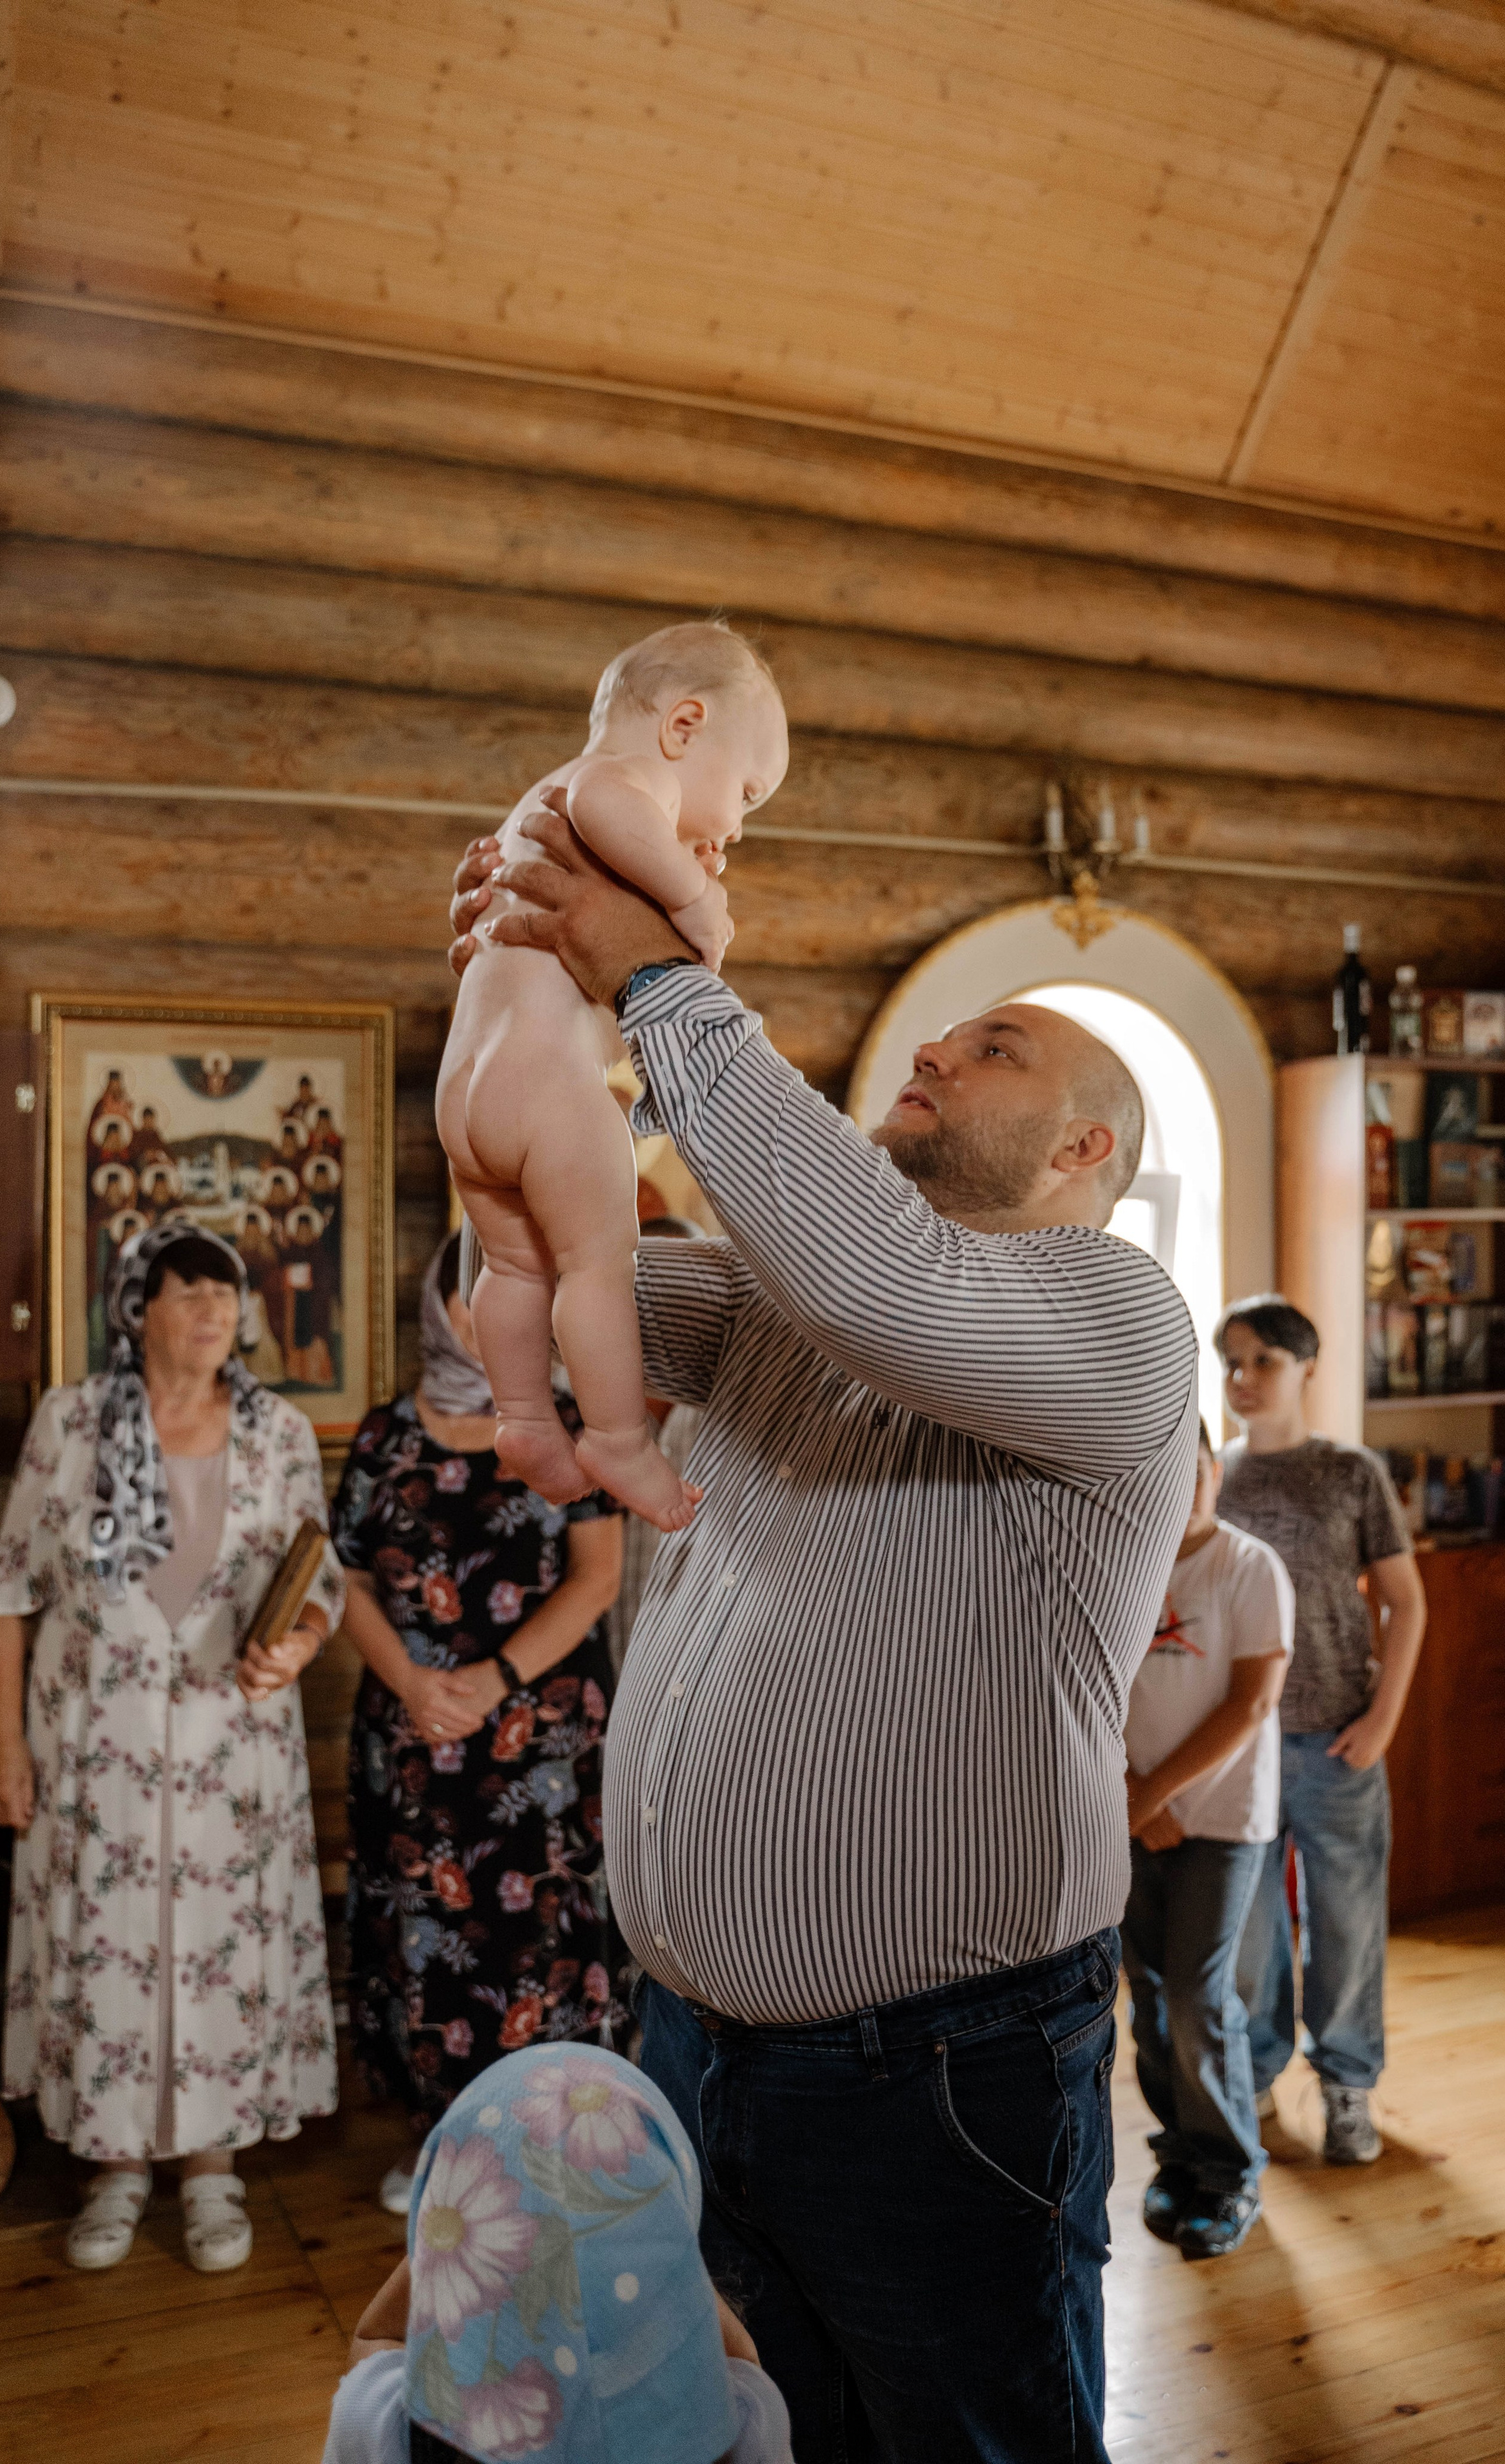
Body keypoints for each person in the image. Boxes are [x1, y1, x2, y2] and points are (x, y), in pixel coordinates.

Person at [443, 810, 1198, 2464]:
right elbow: (529, 1309)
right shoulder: (782, 1301)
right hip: (693, 2042)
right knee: (762, 2434)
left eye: (992, 1050)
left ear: (1082, 1151)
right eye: (944, 1035)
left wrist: (657, 983)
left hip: (933, 2074)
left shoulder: (1121, 1320)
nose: (934, 1049)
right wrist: (518, 1054)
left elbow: (879, 1282)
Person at [0, 1223, 344, 2273]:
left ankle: (214, 2167)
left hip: (236, 1755)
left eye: (227, 1295)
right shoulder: (71, 1423)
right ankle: (116, 2165)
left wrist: (301, 1644)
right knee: (113, 1944)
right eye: (191, 1293)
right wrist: (3, 1744)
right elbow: (9, 1589)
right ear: (138, 1310)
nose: (215, 1312)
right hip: (99, 1754)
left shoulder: (277, 1432)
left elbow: (318, 1582)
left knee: (221, 1946)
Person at [435, 619, 789, 1530]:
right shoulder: (615, 781)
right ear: (684, 727)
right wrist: (695, 897)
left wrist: (671, 892)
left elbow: (604, 970)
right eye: (746, 793)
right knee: (598, 1265)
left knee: (514, 1267)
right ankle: (619, 1440)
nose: (737, 827)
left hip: (467, 1089)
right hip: (547, 1084)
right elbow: (611, 805)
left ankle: (523, 1419)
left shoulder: (535, 815)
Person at [336, 1236, 626, 2218]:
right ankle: (441, 2143)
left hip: (539, 1745)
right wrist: (415, 1685)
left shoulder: (572, 1424)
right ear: (443, 1307)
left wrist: (491, 1681)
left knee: (538, 1934)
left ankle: (548, 2147)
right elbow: (345, 1577)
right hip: (413, 1736)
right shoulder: (384, 1437)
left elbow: (597, 1578)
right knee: (421, 1935)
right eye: (478, 1295)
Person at [324, 2044, 794, 2464]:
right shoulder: (741, 2421)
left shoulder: (388, 2426)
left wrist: (455, 2239)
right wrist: (664, 2247)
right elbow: (742, 2360)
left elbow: (374, 2338)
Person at [1215, 1296, 1427, 2166]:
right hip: (1239, 1751)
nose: (1243, 1378)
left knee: (1345, 1927)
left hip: (1339, 1741)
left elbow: (1405, 1602)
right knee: (1250, 1933)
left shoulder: (1351, 1472)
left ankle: (1347, 2086)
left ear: (1306, 1366)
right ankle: (1257, 2073)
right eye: (1232, 1362)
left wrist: (1383, 1718)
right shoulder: (1213, 1475)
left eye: (1263, 1360)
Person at [1121, 1421, 1293, 2260]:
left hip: (1222, 1821)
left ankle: (1229, 2172)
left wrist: (1153, 1792)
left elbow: (1252, 1702)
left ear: (1214, 1472)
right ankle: (1180, 2155)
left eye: (1192, 1471)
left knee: (1197, 1996)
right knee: (1150, 2002)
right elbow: (1083, 1687)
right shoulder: (1122, 1564)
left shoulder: (1249, 1566)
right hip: (1132, 1815)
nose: (1181, 1489)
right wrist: (1129, 1792)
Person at [608, 1215, 707, 1675]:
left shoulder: (745, 1415)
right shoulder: (570, 1406)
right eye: (640, 1287)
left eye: (682, 1293)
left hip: (704, 1674)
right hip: (597, 1676)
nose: (658, 1311)